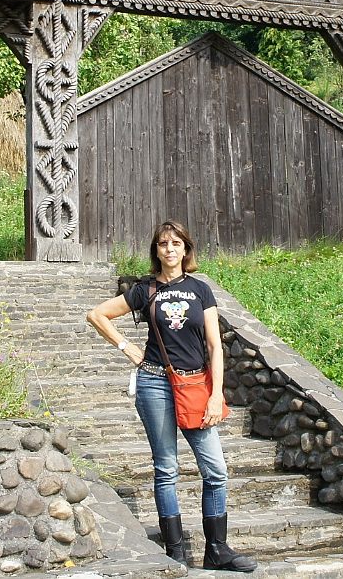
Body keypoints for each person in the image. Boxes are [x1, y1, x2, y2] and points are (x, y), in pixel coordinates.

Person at [87, 221, 257, 572]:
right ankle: (175, 551)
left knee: (216, 470)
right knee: (166, 468)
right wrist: (127, 346)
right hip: (154, 383)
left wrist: (215, 395)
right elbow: (97, 314)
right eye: (163, 244)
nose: (169, 249)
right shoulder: (144, 290)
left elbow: (215, 346)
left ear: (185, 249)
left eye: (176, 243)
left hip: (195, 386)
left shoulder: (200, 290)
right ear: (157, 251)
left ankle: (218, 550)